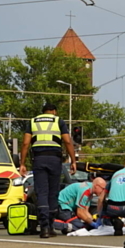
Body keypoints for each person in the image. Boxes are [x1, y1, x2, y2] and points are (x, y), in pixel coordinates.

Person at [20, 102, 77, 239]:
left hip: (39, 160)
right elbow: (68, 141)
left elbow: (26, 143)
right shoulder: (58, 121)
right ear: (54, 111)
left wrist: (22, 163)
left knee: (42, 193)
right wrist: (73, 160)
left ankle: (44, 227)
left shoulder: (33, 122)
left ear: (43, 111)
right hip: (54, 160)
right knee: (53, 192)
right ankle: (50, 226)